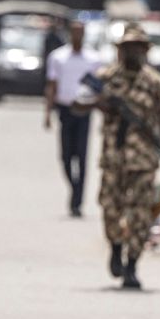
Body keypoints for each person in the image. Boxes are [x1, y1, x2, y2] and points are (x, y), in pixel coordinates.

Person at [87, 23, 160, 290]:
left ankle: (132, 265)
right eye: (127, 47)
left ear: (145, 50)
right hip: (114, 157)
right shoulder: (106, 77)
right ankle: (115, 246)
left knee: (140, 215)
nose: (131, 52)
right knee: (110, 209)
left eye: (137, 47)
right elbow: (78, 102)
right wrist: (100, 103)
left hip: (144, 159)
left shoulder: (155, 82)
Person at [44, 20, 102, 217]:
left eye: (81, 33)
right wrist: (47, 113)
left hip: (85, 111)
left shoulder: (93, 59)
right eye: (75, 32)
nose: (78, 36)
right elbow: (51, 85)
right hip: (65, 109)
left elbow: (99, 89)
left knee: (82, 156)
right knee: (66, 157)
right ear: (70, 34)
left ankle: (77, 201)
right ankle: (74, 187)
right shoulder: (58, 57)